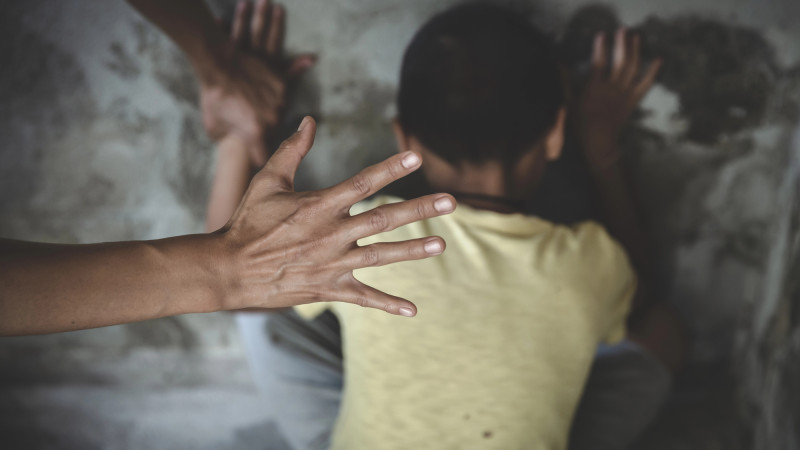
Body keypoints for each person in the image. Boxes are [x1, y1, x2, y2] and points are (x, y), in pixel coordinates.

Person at [212, 3, 687, 449]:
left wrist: (237, 137)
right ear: (556, 133)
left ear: (405, 139)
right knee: (663, 331)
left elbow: (228, 276)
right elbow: (641, 292)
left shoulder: (362, 234)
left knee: (263, 301)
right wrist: (601, 147)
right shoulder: (591, 259)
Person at [0, 0, 459, 337]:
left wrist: (234, 268)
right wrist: (232, 271)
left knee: (272, 320)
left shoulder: (374, 234)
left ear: (403, 136)